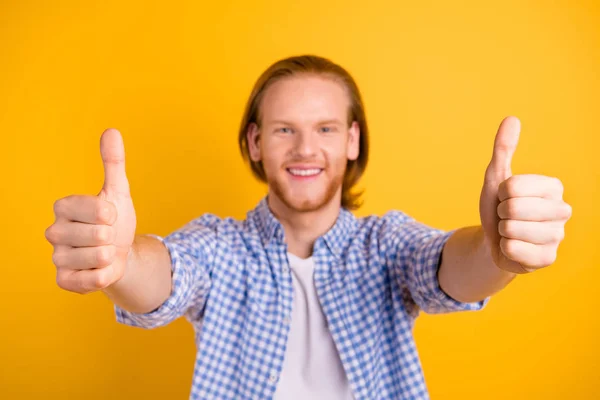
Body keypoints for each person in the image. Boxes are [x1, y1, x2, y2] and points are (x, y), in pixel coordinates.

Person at [45, 55, 572, 400]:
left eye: (324, 128)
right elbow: (169, 272)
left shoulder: (385, 246)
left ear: (352, 141)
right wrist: (118, 263)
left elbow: (447, 267)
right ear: (255, 143)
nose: (304, 149)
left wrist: (498, 253)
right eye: (283, 130)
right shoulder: (223, 247)